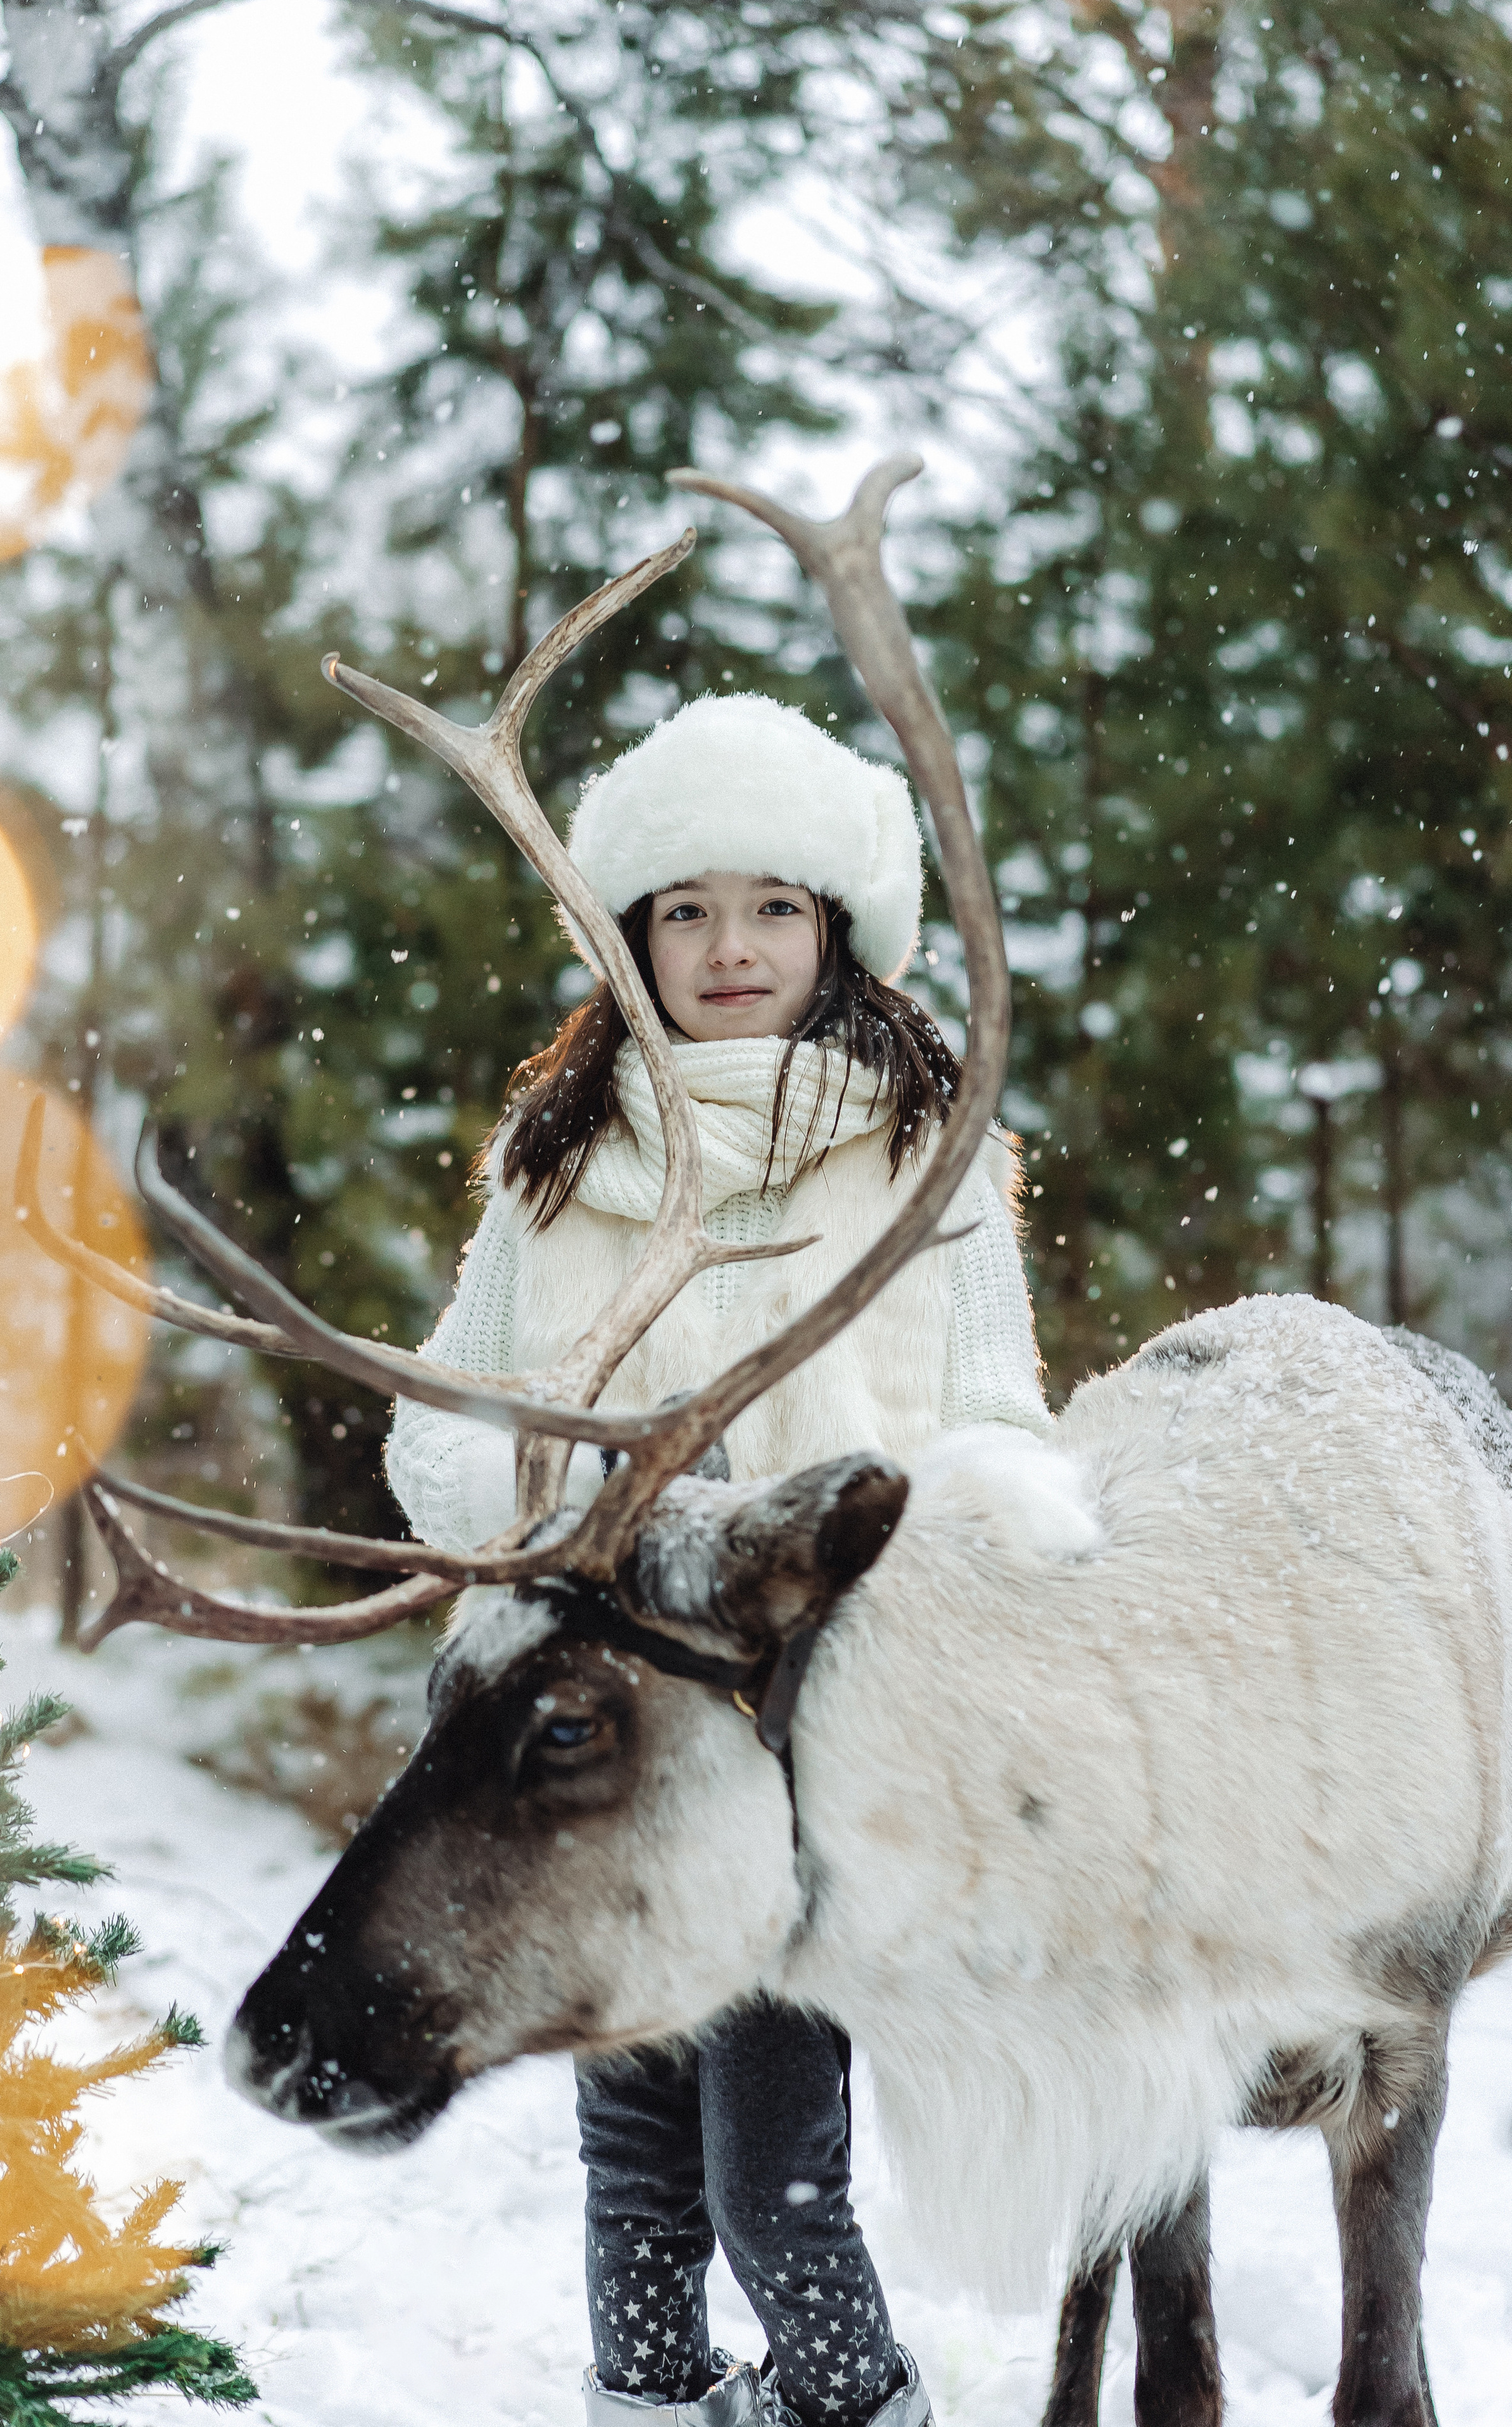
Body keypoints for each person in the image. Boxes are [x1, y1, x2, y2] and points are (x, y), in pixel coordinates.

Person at [386, 692, 1054, 2427]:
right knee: (634, 2148)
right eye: (687, 909)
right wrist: (546, 1501)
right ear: (638, 936)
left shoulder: (935, 1150)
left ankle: (850, 2400)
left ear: (834, 928)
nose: (731, 945)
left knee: (772, 2153)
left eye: (771, 905)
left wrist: (861, 1543)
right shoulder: (556, 1170)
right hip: (600, 1736)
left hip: (820, 1732)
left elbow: (998, 1420)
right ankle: (656, 2398)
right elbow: (445, 1421)